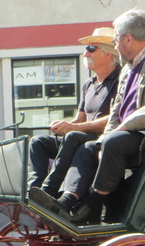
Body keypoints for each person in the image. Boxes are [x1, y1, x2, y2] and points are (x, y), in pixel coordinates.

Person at [42, 9, 145, 224]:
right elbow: (117, 109)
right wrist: (104, 138)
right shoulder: (127, 68)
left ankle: (94, 203)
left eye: (116, 41)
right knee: (88, 147)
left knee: (113, 142)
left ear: (128, 38)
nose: (115, 46)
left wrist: (127, 125)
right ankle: (66, 201)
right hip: (126, 133)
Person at [27, 27, 121, 212]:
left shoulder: (120, 80)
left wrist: (73, 128)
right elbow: (80, 118)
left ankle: (49, 191)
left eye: (91, 48)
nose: (85, 53)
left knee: (73, 137)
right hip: (81, 138)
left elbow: (115, 118)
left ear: (108, 54)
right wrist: (64, 125)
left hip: (105, 141)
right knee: (37, 142)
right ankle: (34, 189)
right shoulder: (89, 83)